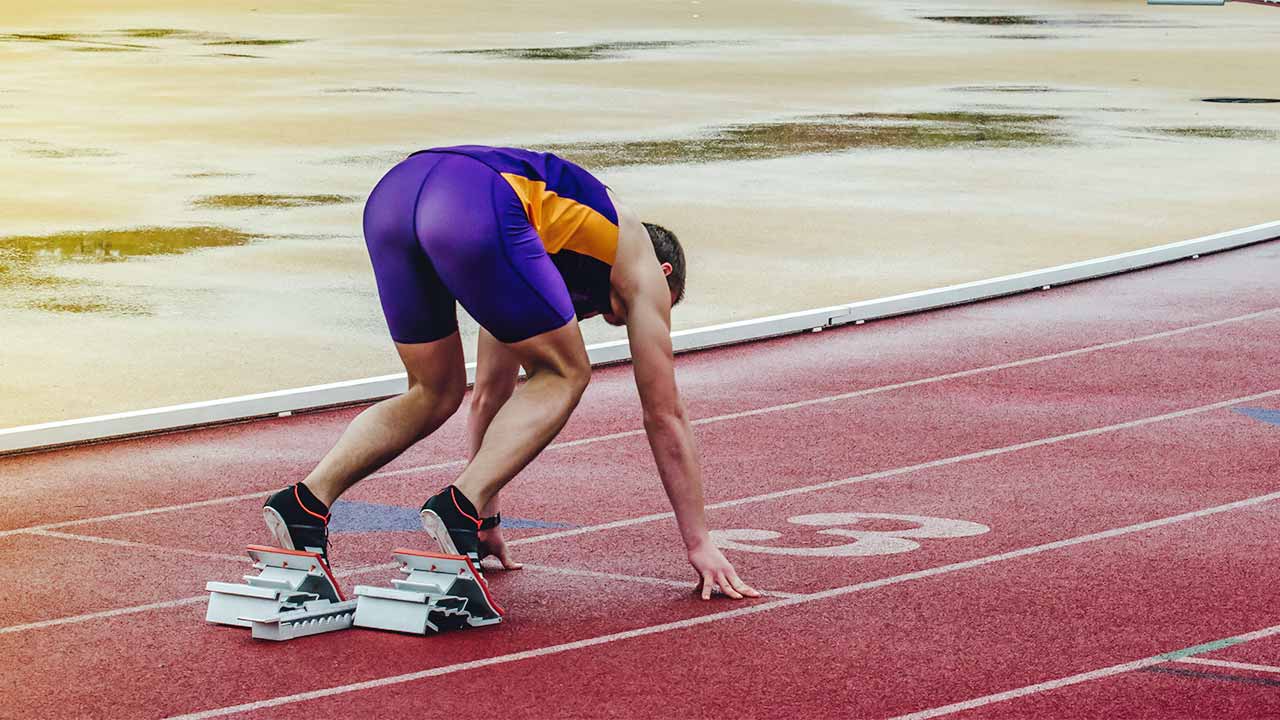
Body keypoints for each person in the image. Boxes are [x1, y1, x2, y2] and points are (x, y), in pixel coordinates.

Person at [262, 145, 758, 601]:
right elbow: (664, 413)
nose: (640, 320)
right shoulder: (641, 259)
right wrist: (700, 541)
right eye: (662, 309)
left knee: (434, 391)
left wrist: (487, 516)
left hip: (395, 197)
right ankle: (458, 507)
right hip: (471, 200)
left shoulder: (533, 253)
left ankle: (305, 503)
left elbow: (491, 393)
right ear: (666, 277)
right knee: (568, 372)